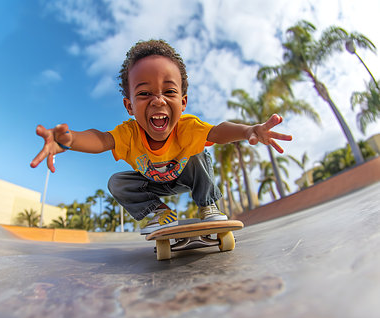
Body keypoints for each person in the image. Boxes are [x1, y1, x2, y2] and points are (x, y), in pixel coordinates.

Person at [30, 39, 292, 234]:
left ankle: (207, 205)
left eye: (169, 92)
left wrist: (248, 131)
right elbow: (101, 140)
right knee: (116, 181)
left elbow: (217, 131)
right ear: (130, 106)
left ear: (183, 101)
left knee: (200, 150)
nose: (158, 100)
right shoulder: (129, 133)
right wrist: (70, 139)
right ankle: (158, 212)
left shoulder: (187, 127)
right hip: (152, 183)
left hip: (186, 175)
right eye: (144, 94)